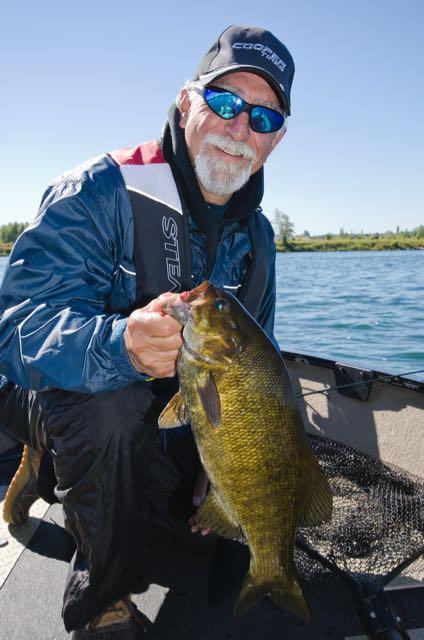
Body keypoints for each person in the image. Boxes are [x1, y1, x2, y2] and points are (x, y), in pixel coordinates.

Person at [0, 24, 294, 639]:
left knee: (203, 540)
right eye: (224, 102)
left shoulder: (259, 241)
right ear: (187, 101)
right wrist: (118, 345)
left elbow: (259, 380)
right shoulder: (100, 190)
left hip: (176, 407)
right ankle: (100, 601)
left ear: (277, 139)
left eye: (263, 119)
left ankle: (61, 470)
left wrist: (218, 472)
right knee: (111, 411)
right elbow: (14, 327)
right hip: (53, 393)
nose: (240, 129)